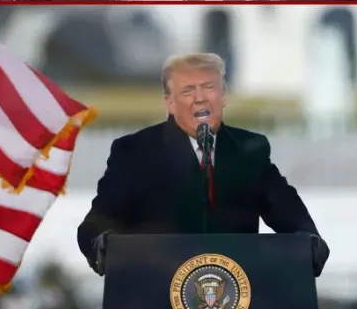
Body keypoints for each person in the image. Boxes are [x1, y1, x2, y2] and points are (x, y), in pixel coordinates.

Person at [77, 53, 329, 277]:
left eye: (208, 88)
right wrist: (103, 244)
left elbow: (287, 209)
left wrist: (310, 241)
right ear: (170, 103)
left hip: (236, 298)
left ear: (223, 96)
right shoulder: (134, 151)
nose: (200, 98)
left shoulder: (249, 149)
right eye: (187, 91)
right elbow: (96, 224)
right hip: (156, 296)